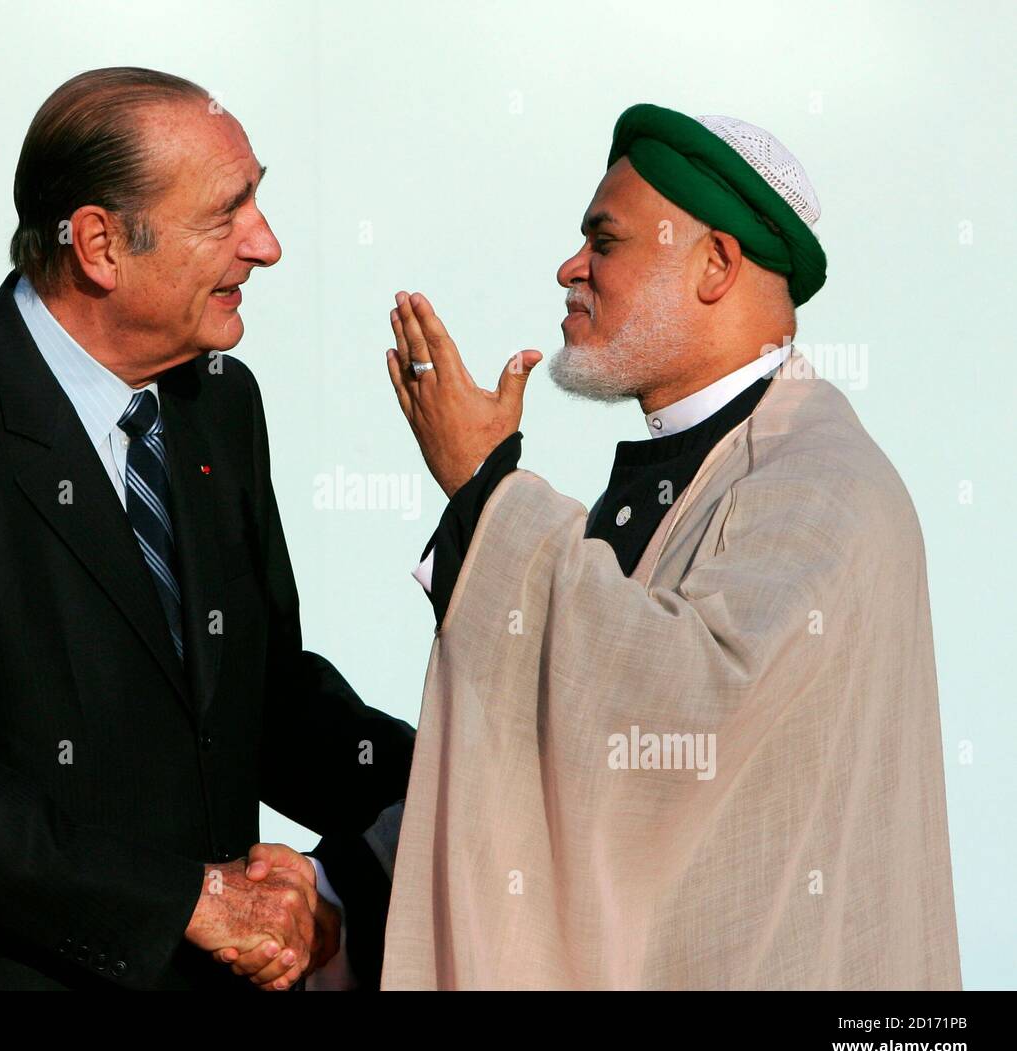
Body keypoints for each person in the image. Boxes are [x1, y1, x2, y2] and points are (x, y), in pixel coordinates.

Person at [0, 66, 412, 991]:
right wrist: (186, 900)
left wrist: (470, 783)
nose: (268, 244)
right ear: (98, 245)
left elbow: (259, 697)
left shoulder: (218, 404)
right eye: (228, 212)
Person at [379, 104, 961, 990]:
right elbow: (549, 770)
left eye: (602, 240)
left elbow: (684, 721)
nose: (570, 268)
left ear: (716, 264)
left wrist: (487, 494)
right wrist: (342, 875)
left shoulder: (822, 484)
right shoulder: (689, 461)